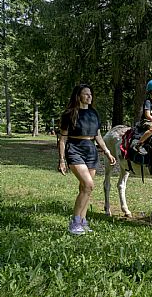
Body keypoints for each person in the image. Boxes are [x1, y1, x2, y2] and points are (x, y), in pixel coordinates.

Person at [58, 84, 116, 235]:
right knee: (89, 185)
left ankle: (83, 221)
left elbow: (97, 136)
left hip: (90, 150)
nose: (89, 97)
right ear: (78, 96)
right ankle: (75, 222)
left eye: (90, 94)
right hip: (75, 149)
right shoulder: (69, 114)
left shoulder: (93, 113)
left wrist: (108, 152)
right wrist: (62, 160)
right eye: (86, 94)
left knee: (85, 189)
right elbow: (63, 139)